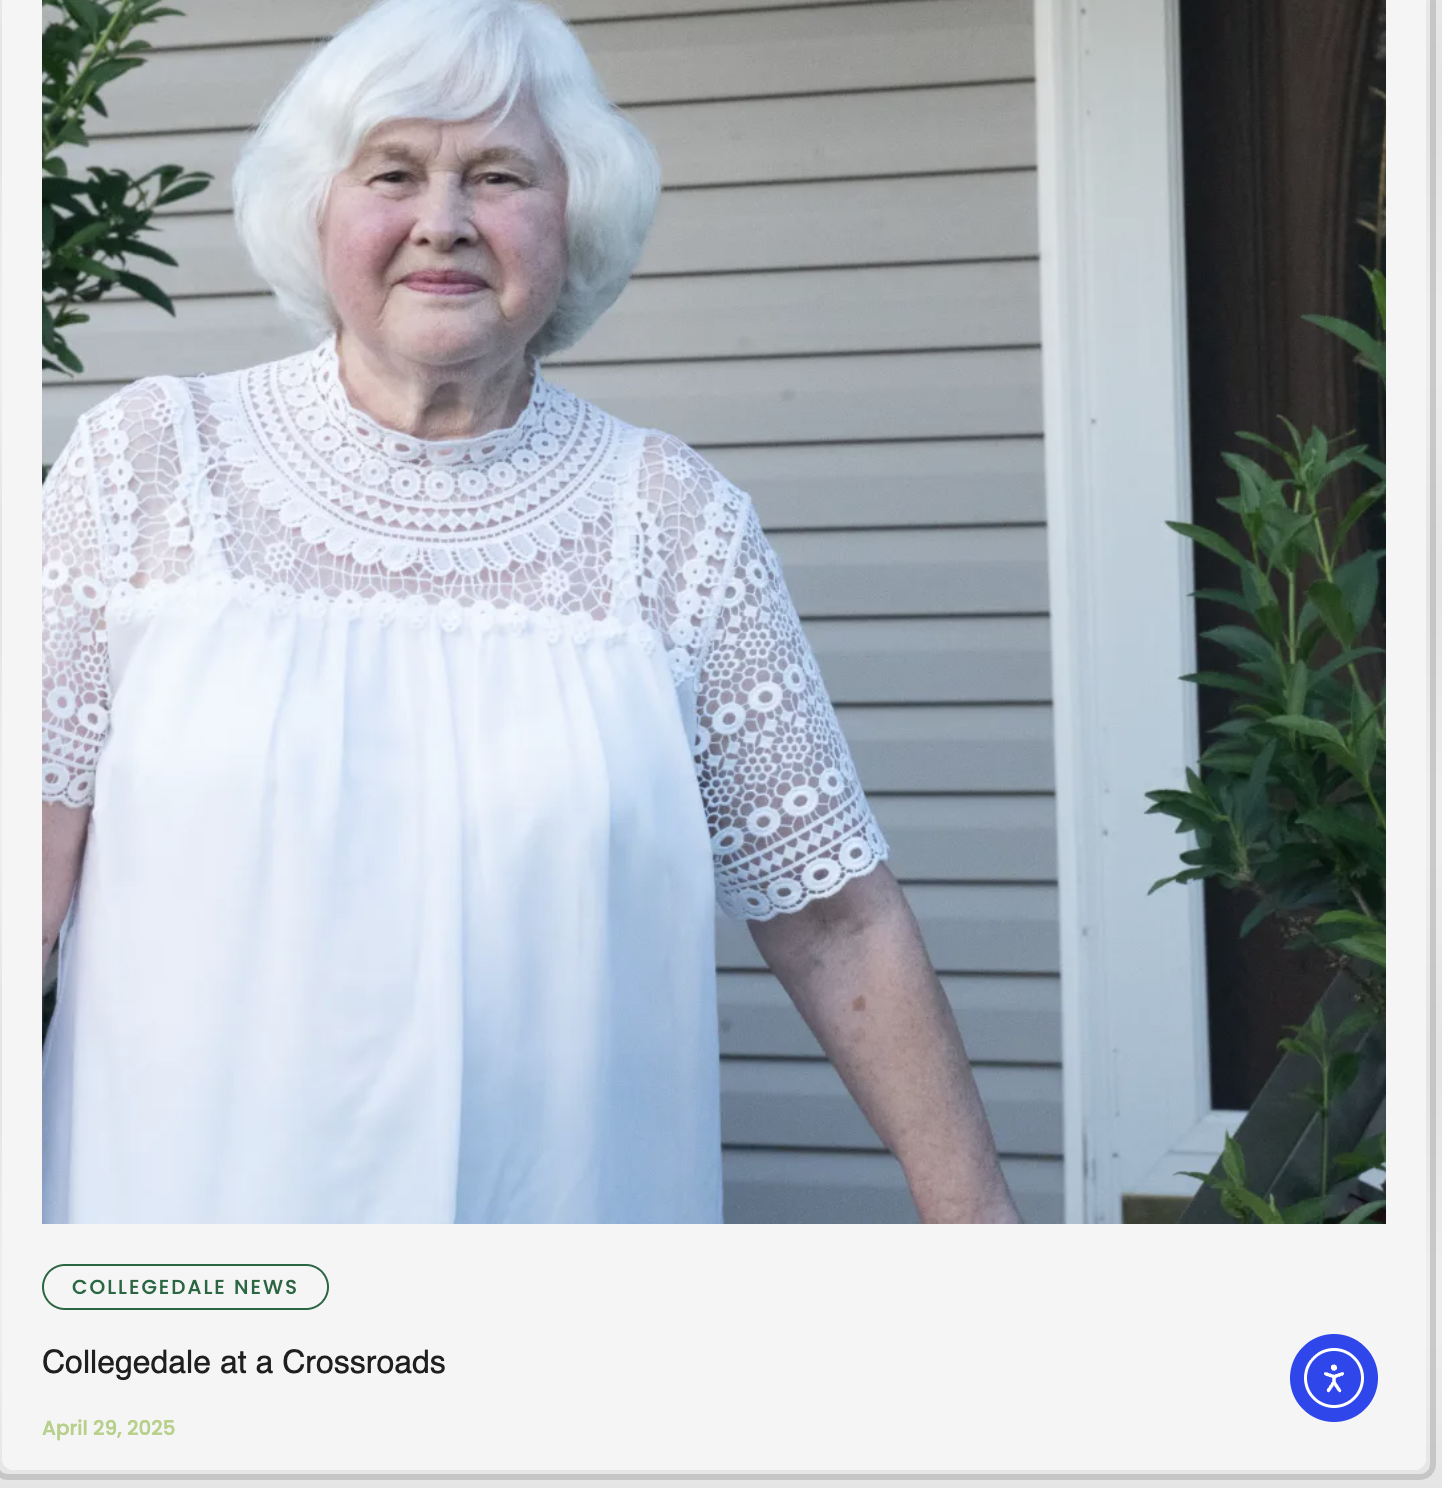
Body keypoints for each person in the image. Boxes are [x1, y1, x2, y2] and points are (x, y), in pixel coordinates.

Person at [40, 0, 1021, 1224]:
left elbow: (833, 919)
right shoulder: (149, 466)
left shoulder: (673, 523)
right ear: (318, 209)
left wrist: (979, 1232)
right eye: (392, 171)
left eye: (497, 175)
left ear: (575, 219)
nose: (440, 222)